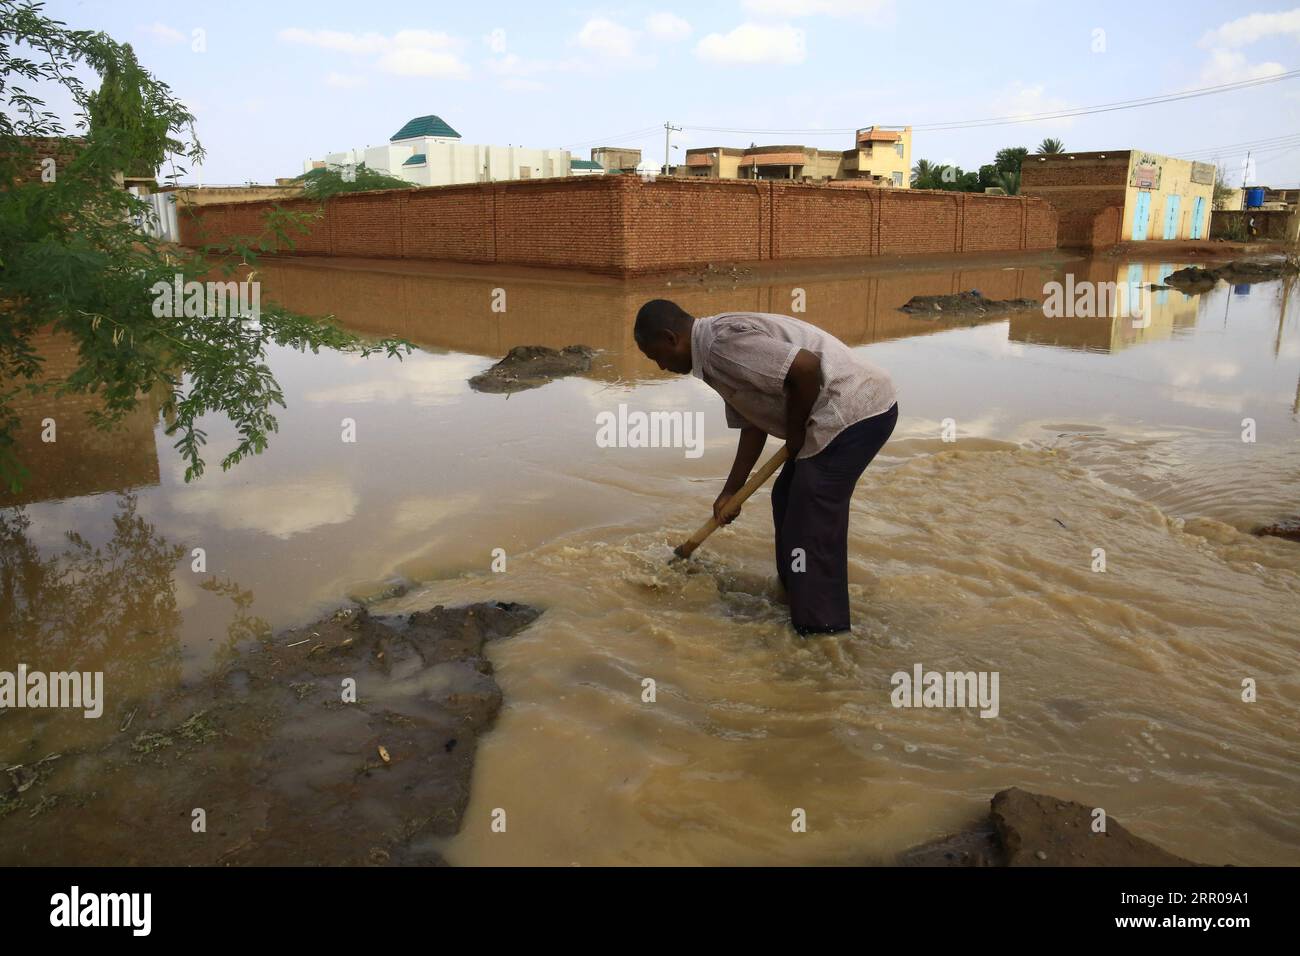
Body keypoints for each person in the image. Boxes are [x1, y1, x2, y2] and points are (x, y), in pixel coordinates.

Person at [634, 299, 898, 635]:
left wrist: (797, 430)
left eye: (656, 356)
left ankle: (821, 631)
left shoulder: (721, 346)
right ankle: (793, 596)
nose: (660, 367)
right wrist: (732, 490)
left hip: (854, 409)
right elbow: (753, 423)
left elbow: (805, 367)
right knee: (786, 497)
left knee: (810, 518)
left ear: (671, 338)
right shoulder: (711, 353)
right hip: (834, 415)